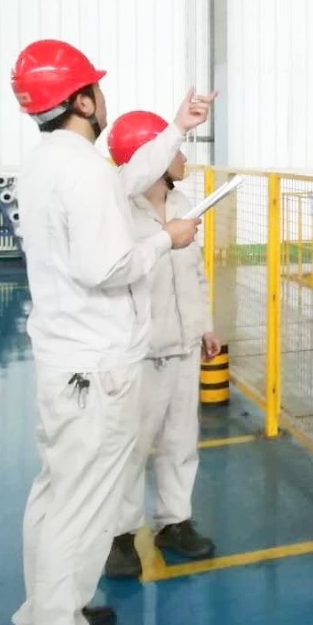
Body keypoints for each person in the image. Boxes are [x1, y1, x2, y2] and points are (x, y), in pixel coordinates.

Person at [10, 38, 214, 625]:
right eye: (96, 88)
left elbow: (123, 181)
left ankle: (43, 617)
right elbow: (108, 266)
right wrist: (165, 239)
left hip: (64, 361)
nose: (104, 97)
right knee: (80, 509)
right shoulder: (82, 171)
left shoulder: (48, 164)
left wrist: (176, 127)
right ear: (82, 100)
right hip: (96, 368)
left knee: (54, 497)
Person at [102, 110, 220, 580]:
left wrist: (206, 326)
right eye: (174, 149)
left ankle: (174, 520)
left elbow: (195, 272)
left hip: (185, 345)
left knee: (180, 441)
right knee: (131, 446)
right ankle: (120, 534)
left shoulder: (184, 201)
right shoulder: (118, 212)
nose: (182, 157)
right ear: (147, 157)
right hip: (141, 351)